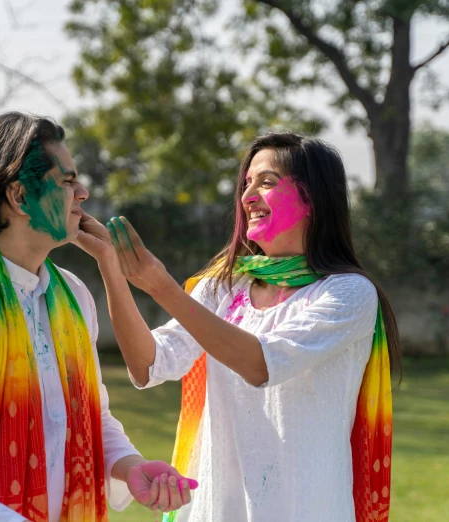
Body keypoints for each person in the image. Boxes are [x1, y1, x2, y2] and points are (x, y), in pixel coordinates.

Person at [0, 111, 196, 522]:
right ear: (20, 197)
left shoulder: (73, 296)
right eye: (66, 181)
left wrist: (129, 466)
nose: (81, 193)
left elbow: (90, 415)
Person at [73, 133, 400, 522]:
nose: (247, 197)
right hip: (217, 508)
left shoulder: (348, 293)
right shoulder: (222, 287)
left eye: (266, 182)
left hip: (304, 508)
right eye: (246, 184)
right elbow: (148, 365)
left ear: (313, 199)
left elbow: (261, 365)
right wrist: (111, 265)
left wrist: (161, 286)